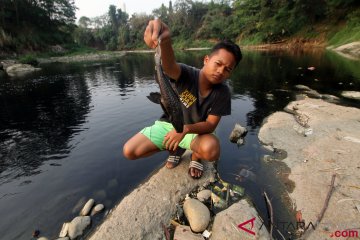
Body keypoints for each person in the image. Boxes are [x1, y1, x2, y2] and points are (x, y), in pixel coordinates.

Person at [123, 19, 242, 179]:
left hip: (195, 132)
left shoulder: (222, 92)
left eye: (227, 69)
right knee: (130, 151)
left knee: (211, 150)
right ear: (206, 60)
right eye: (218, 63)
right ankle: (175, 148)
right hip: (169, 124)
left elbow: (210, 124)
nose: (221, 71)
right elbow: (169, 66)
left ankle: (195, 155)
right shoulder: (186, 74)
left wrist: (185, 130)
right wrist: (164, 41)